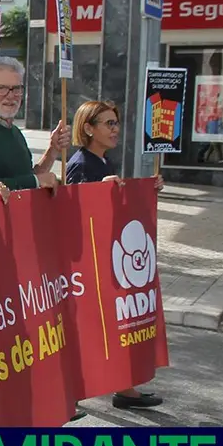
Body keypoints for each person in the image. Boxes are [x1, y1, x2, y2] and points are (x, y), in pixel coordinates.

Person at [66, 100, 164, 410]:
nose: (115, 129)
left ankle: (125, 387)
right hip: (89, 261)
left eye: (116, 123)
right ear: (88, 128)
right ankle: (71, 392)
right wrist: (97, 191)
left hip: (109, 256)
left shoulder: (104, 162)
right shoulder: (80, 163)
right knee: (92, 328)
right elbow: (71, 211)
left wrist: (148, 190)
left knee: (115, 326)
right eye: (108, 123)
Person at [0, 56, 69, 193]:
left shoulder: (13, 130)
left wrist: (53, 150)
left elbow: (29, 177)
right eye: (2, 88)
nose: (11, 95)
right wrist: (35, 181)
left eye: (16, 88)